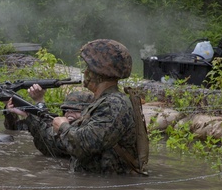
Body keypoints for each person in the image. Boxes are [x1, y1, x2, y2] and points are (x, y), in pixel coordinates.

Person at [12, 39, 148, 175]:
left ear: (99, 71)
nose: (85, 72)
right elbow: (57, 146)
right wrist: (31, 114)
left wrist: (63, 127)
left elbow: (83, 145)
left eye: (89, 67)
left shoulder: (114, 105)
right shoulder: (102, 102)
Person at [5, 86, 93, 158]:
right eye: (66, 110)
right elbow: (15, 128)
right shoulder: (60, 125)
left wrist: (35, 108)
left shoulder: (86, 133)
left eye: (75, 110)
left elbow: (49, 139)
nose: (69, 113)